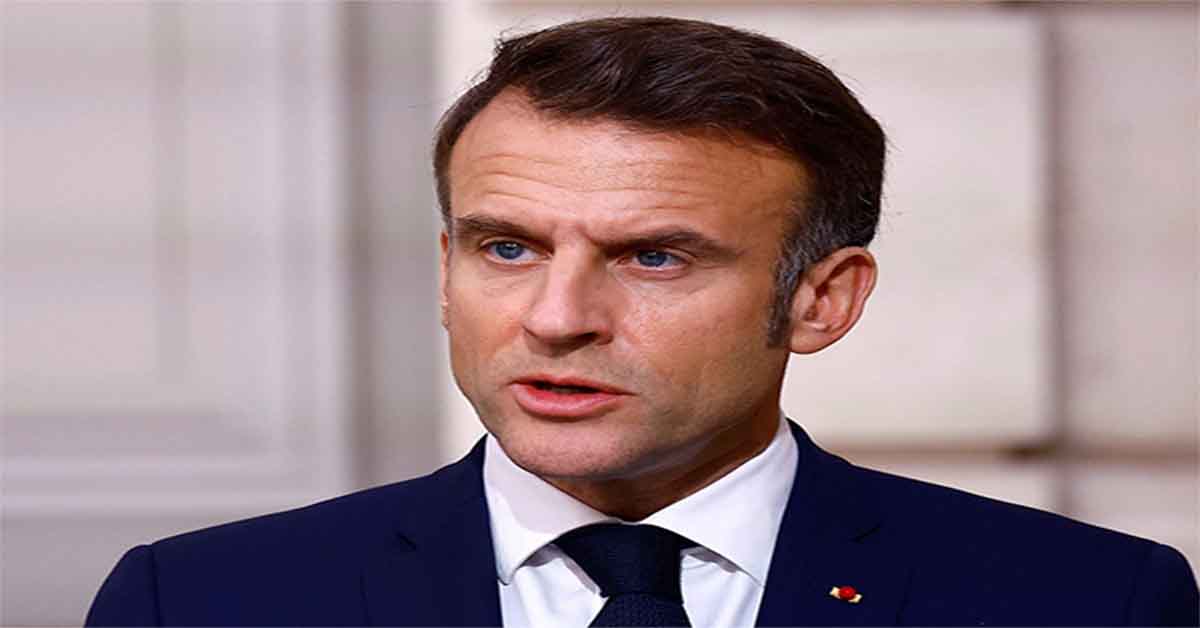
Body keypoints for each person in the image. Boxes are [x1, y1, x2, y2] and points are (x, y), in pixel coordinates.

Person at [87, 16, 1198, 627]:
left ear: (822, 299)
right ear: (444, 271)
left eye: (653, 256)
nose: (557, 317)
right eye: (506, 247)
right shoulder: (201, 603)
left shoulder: (1088, 602)